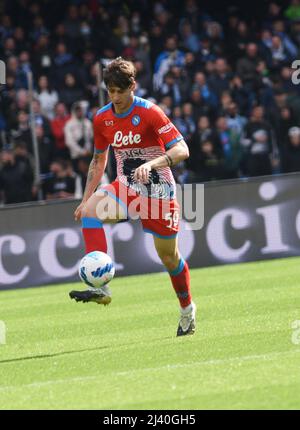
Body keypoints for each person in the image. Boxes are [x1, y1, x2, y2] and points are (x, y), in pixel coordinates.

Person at [69, 57, 196, 337]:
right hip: (126, 187)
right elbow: (98, 160)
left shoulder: (151, 113)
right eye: (110, 91)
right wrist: (85, 199)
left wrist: (152, 164)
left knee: (169, 258)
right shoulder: (102, 118)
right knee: (91, 212)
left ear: (132, 87)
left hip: (158, 192)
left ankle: (187, 309)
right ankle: (100, 287)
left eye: (120, 91)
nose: (115, 97)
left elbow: (182, 150)